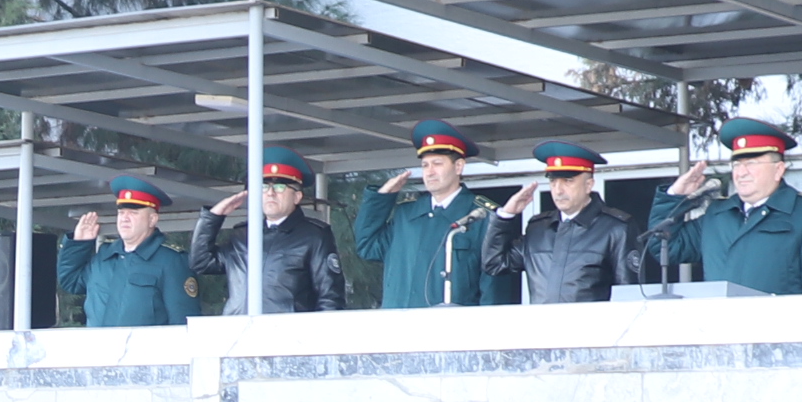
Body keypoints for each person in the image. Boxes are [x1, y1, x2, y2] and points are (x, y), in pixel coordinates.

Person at [648, 117, 802, 295]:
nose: (741, 173)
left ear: (778, 170)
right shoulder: (718, 214)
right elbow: (665, 247)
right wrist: (675, 196)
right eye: (737, 164)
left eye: (751, 163)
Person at [479, 141, 641, 304]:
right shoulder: (538, 228)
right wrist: (505, 216)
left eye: (567, 181)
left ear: (588, 185)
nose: (558, 190)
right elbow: (494, 264)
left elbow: (629, 296)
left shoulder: (615, 228)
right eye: (553, 182)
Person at [354, 124, 495, 308]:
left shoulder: (481, 216)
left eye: (437, 163)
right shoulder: (406, 215)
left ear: (458, 166)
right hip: (397, 323)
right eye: (425, 165)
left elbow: (493, 288)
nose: (429, 172)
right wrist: (381, 199)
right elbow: (367, 246)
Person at [193, 155, 346, 314]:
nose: (270, 193)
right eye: (264, 187)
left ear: (297, 197)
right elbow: (201, 262)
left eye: (279, 187)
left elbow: (330, 298)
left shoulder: (313, 235)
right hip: (239, 328)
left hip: (288, 329)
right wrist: (213, 216)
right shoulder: (243, 234)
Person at [58, 177, 193, 327]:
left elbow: (182, 323)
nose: (124, 219)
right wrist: (79, 244)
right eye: (121, 213)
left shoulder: (171, 261)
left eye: (133, 213)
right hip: (98, 343)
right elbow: (71, 282)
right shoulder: (104, 256)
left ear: (152, 219)